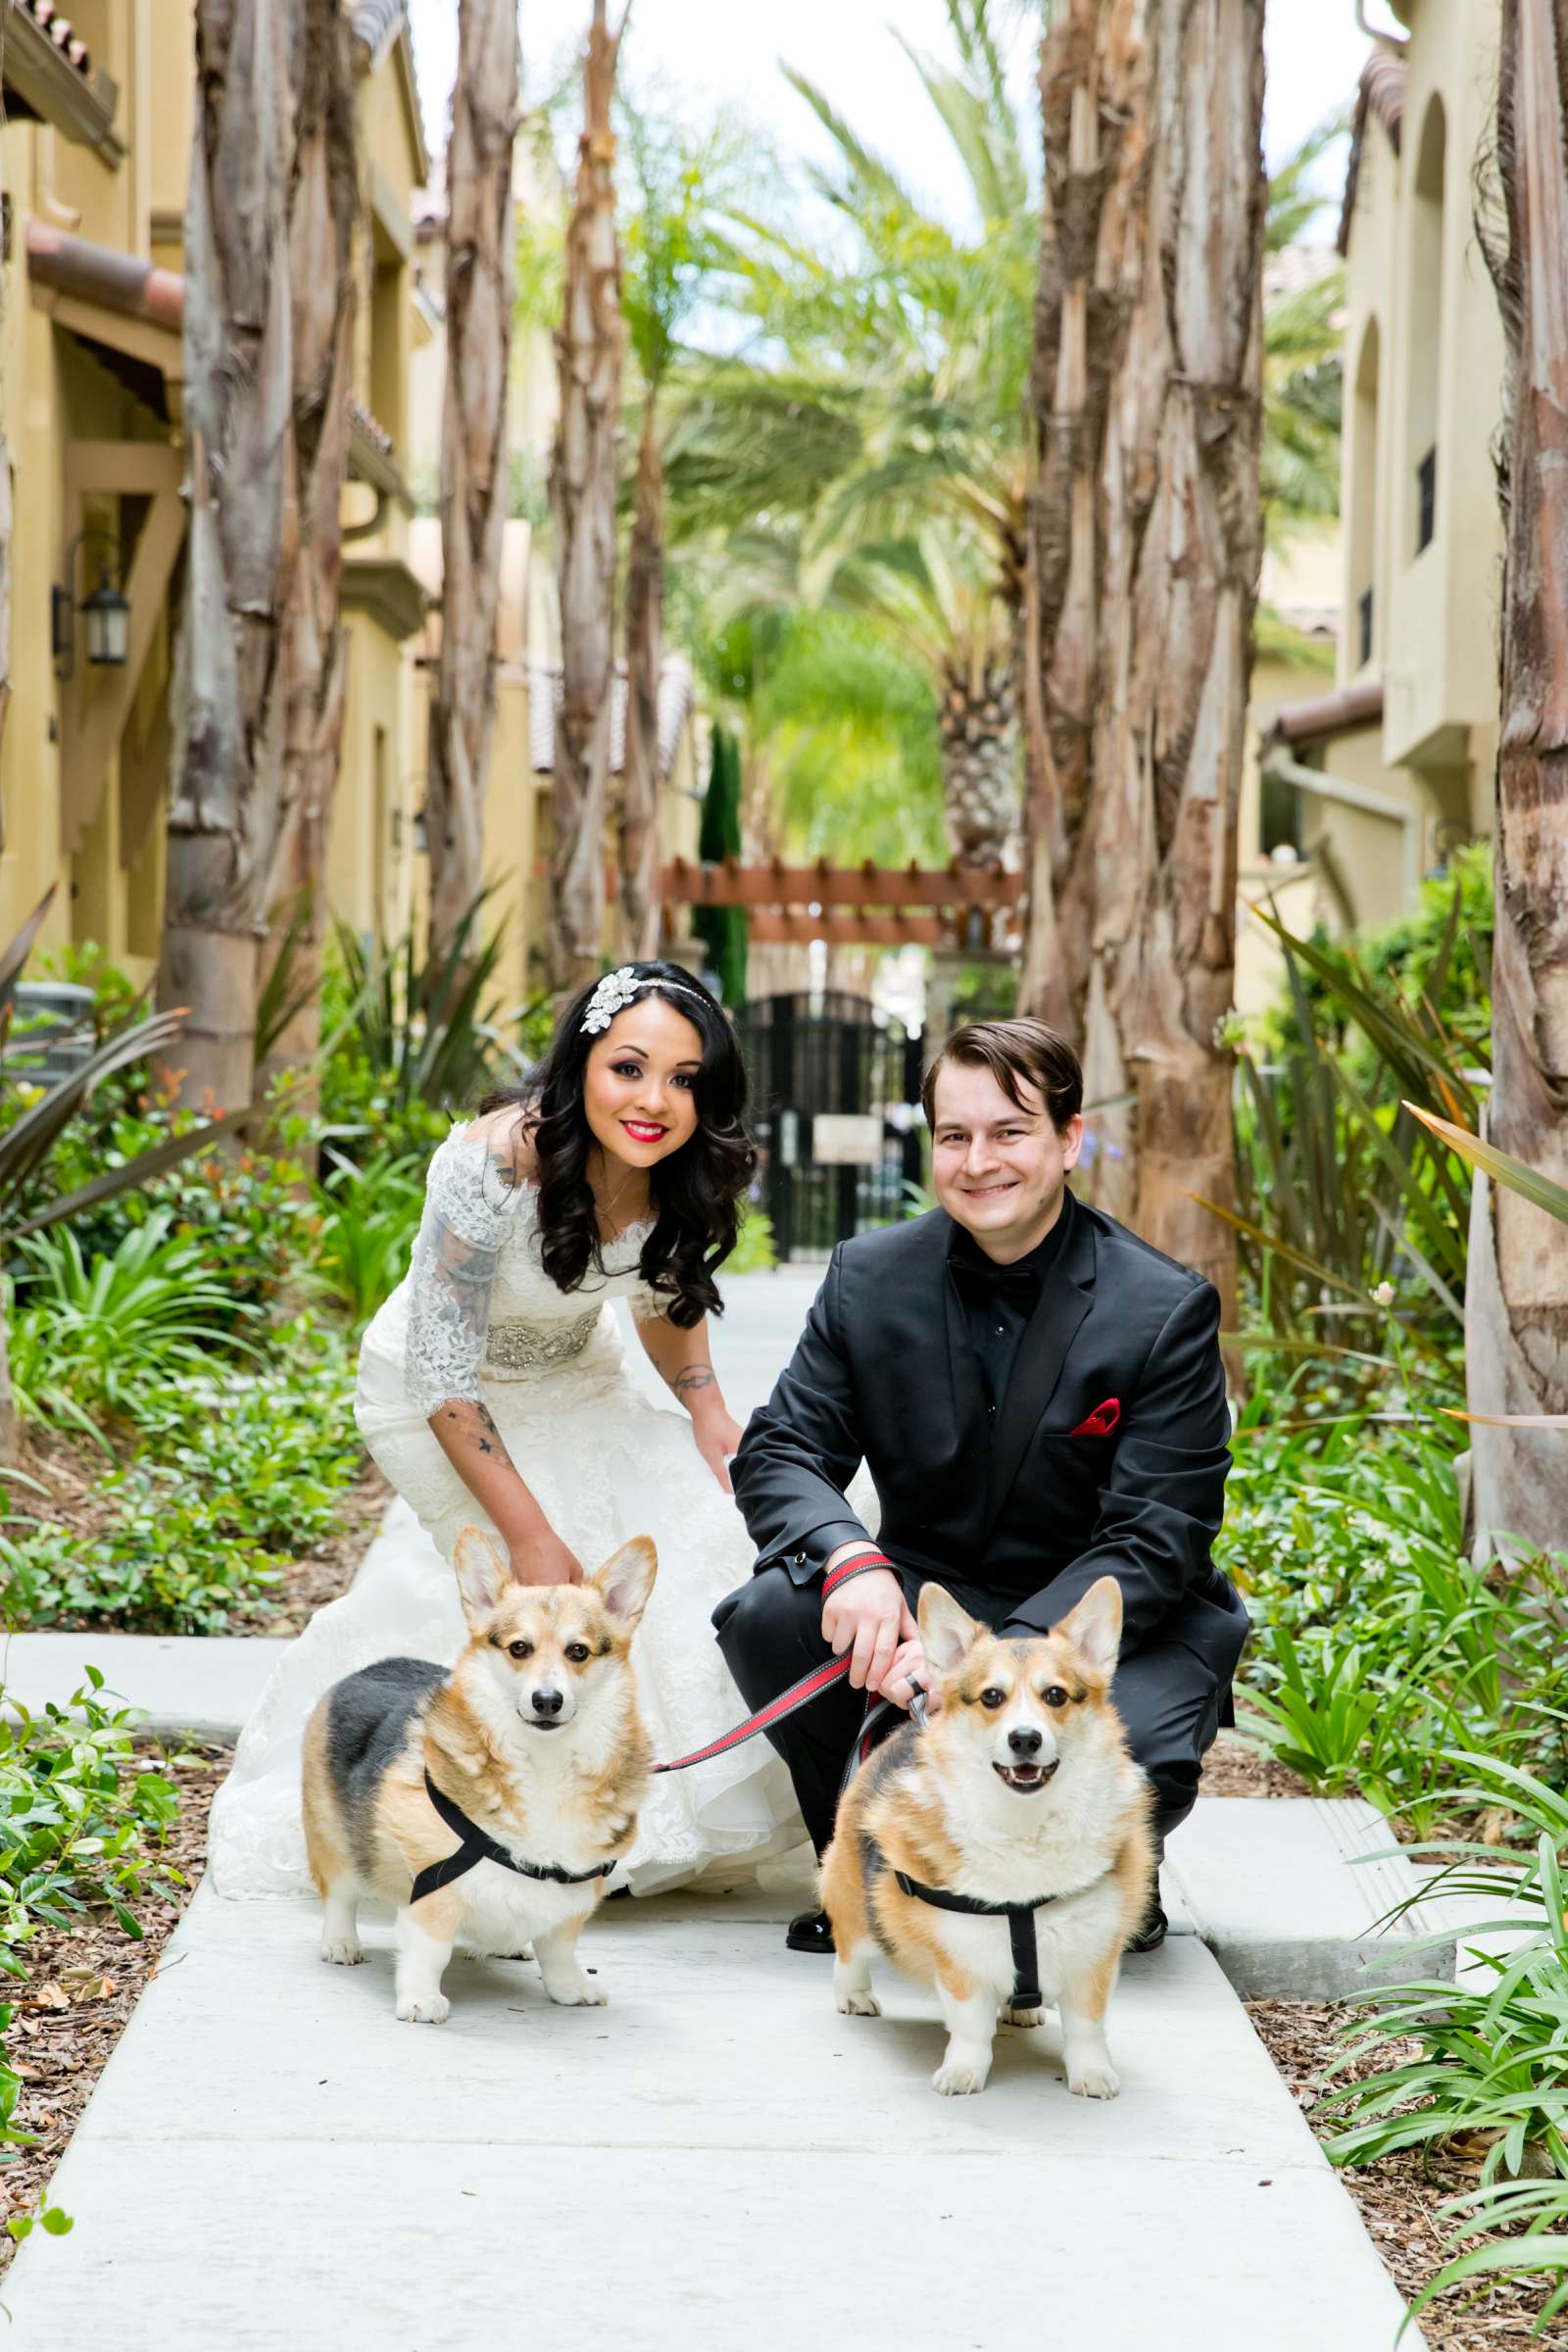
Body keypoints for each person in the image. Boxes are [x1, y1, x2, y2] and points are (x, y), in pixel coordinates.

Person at [210, 960, 799, 1898]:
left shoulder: (671, 1165)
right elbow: (445, 1381)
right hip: (431, 1396)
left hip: (573, 1373)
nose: (655, 1100)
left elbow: (660, 1291)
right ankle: (453, 1812)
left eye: (684, 1080)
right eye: (630, 1068)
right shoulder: (491, 1162)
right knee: (536, 1598)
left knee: (704, 1535)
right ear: (581, 1064)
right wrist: (529, 1533)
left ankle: (628, 1819)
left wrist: (707, 1408)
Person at [715, 1017, 1249, 1954]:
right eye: (954, 1136)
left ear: (1069, 1139)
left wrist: (994, 1669)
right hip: (932, 1602)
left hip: (1106, 1618)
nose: (977, 1161)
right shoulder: (867, 1279)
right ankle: (872, 1861)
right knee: (768, 1616)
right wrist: (850, 1562)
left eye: (1010, 1132)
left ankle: (1114, 1874)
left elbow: (1157, 1537)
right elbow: (780, 1450)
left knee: (1146, 1750)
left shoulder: (1163, 1309)